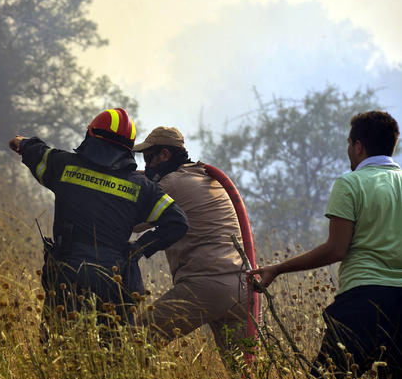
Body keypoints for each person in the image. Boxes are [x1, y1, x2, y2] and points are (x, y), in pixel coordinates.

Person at [249, 110, 402, 378]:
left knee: (329, 373)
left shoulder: (351, 183)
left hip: (362, 302)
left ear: (358, 146)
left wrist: (278, 268)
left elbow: (336, 249)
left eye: (348, 143)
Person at [9, 108, 188, 331]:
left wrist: (22, 143)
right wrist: (139, 248)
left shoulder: (64, 165)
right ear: (128, 149)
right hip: (116, 279)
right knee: (112, 356)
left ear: (91, 137)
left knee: (58, 345)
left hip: (68, 276)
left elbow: (37, 151)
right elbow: (177, 223)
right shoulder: (142, 188)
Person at [132, 126, 250, 364]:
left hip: (206, 286)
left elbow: (134, 223)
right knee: (242, 369)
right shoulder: (204, 177)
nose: (148, 164)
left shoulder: (171, 183)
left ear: (164, 155)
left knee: (135, 340)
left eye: (148, 158)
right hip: (241, 287)